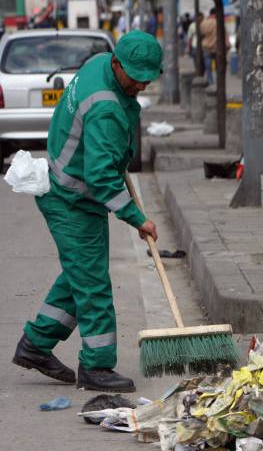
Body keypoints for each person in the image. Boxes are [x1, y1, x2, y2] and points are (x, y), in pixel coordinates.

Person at [12, 31, 163, 393]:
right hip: (72, 198)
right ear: (117, 64)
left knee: (81, 274)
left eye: (148, 76)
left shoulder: (99, 66)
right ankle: (96, 367)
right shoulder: (107, 108)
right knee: (93, 285)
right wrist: (137, 218)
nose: (142, 83)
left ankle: (35, 344)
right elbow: (100, 179)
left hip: (68, 189)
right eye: (136, 75)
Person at [200, 8, 231, 85]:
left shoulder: (204, 23)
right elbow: (225, 36)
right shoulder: (220, 22)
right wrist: (227, 46)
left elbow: (201, 34)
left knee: (208, 67)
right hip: (218, 48)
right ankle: (219, 82)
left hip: (206, 47)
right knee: (219, 67)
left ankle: (211, 82)